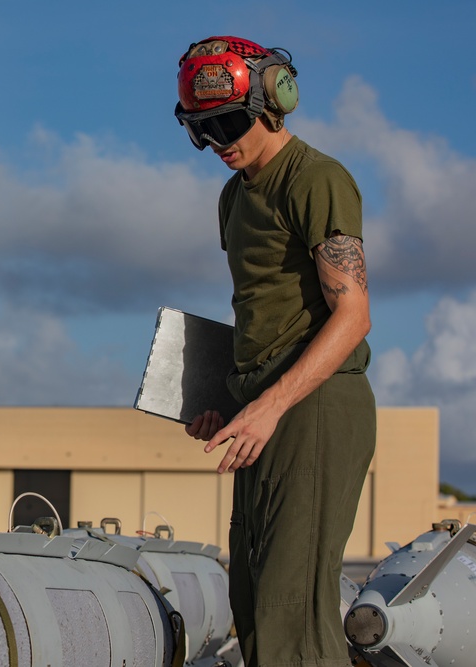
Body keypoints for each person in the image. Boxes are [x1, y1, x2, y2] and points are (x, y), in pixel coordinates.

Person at [174, 36, 375, 666]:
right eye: (203, 130)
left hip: (313, 405)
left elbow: (353, 313)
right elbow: (260, 309)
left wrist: (270, 406)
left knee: (294, 613)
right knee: (256, 603)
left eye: (230, 121)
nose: (219, 141)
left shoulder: (317, 178)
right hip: (265, 408)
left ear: (274, 100)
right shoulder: (234, 196)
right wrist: (224, 401)